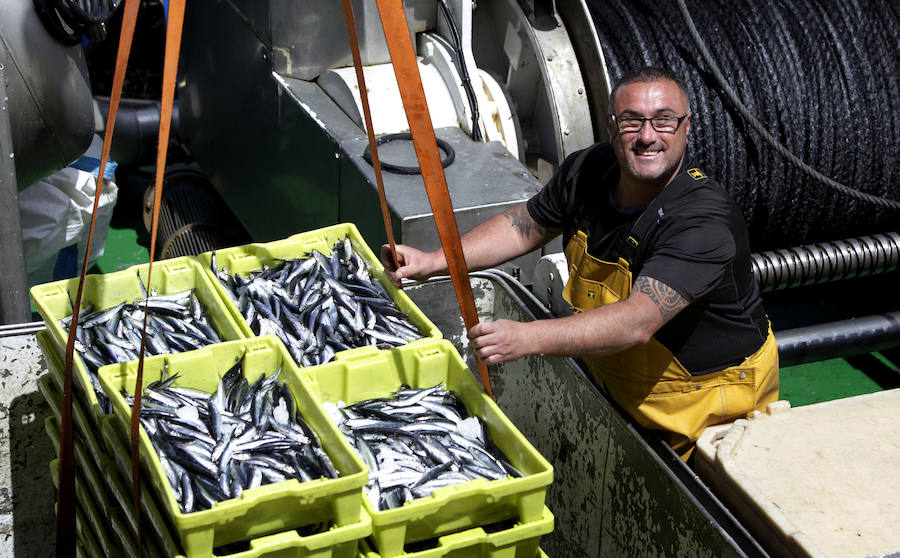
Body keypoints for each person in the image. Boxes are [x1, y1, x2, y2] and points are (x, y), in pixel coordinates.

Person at [381, 66, 779, 459]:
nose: (646, 137)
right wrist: (434, 261)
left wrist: (526, 338)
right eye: (631, 121)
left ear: (686, 127)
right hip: (627, 393)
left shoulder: (702, 222)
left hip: (710, 414)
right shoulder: (590, 170)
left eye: (663, 121)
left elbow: (637, 322)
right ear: (611, 126)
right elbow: (526, 225)